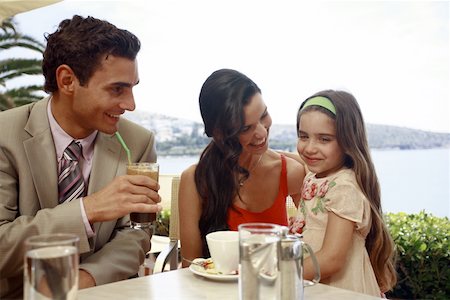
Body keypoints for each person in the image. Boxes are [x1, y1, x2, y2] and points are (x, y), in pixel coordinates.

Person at [0, 15, 162, 298]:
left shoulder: (138, 142)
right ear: (67, 80)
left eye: (133, 87)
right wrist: (88, 210)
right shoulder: (4, 136)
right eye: (117, 89)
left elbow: (137, 233)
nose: (130, 104)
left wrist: (85, 278)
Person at [179, 68, 305, 266]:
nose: (262, 132)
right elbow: (190, 266)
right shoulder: (196, 180)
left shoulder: (290, 172)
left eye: (264, 115)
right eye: (246, 128)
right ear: (220, 133)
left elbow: (314, 245)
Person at [291, 90, 397, 296]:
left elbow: (331, 259)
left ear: (348, 141)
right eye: (303, 136)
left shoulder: (344, 186)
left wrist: (278, 273)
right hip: (316, 284)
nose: (310, 148)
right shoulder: (314, 177)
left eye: (324, 139)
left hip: (342, 289)